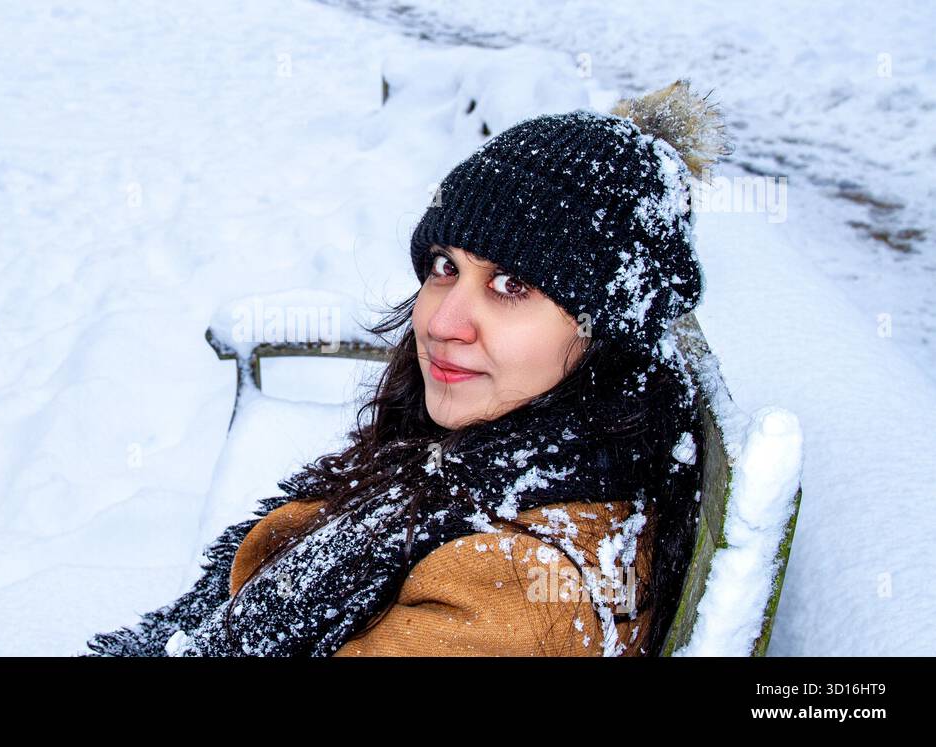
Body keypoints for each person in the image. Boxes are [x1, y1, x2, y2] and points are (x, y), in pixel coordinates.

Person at [83, 79, 733, 657]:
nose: (443, 322)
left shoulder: (515, 595)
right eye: (446, 267)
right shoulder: (532, 448)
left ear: (608, 330)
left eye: (512, 284)